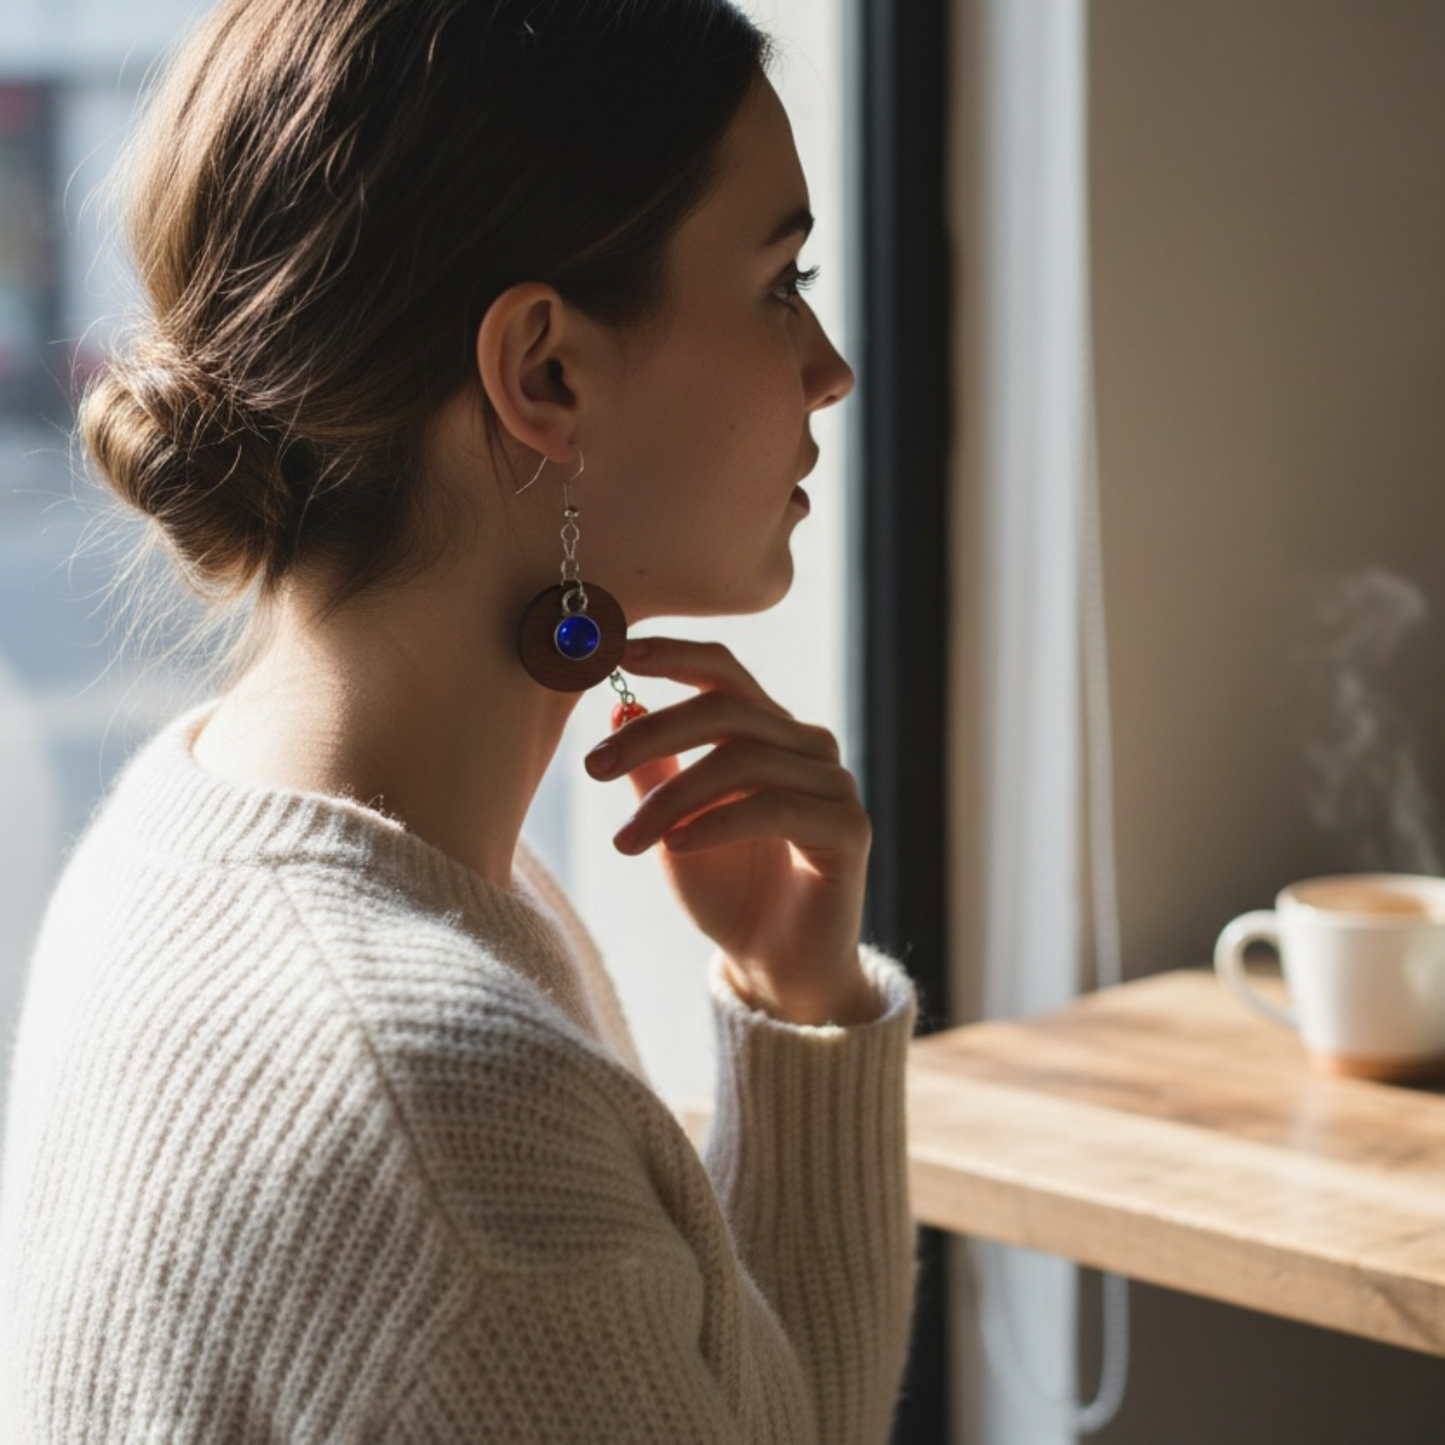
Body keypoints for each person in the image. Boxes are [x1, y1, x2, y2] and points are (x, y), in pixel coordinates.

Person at [0, 0, 920, 1440]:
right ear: (545, 371)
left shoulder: (193, 832)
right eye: (779, 280)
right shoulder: (451, 1122)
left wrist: (800, 1000)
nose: (829, 367)